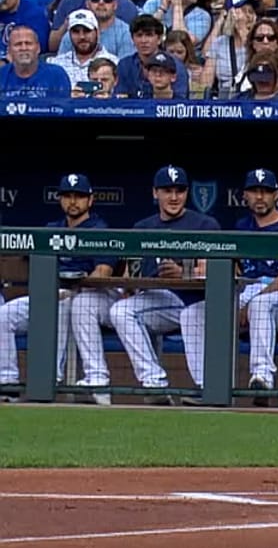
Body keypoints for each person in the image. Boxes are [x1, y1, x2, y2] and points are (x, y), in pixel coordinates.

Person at [180, 168, 278, 407]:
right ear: (245, 196)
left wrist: (248, 305)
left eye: (266, 191)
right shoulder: (242, 226)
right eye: (254, 191)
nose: (260, 197)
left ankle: (262, 379)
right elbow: (236, 270)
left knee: (261, 304)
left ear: (277, 196)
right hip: (247, 295)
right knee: (192, 314)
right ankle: (207, 385)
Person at [106, 165, 223, 402]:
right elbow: (131, 271)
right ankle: (154, 383)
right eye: (167, 190)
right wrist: (129, 285)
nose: (173, 197)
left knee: (185, 314)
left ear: (186, 193)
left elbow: (212, 271)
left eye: (179, 190)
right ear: (154, 193)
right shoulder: (143, 227)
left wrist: (183, 273)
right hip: (157, 301)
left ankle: (204, 388)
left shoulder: (204, 224)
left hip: (195, 303)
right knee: (120, 310)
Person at [0, 174, 115, 396]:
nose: (73, 201)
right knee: (4, 315)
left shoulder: (99, 229)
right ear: (60, 199)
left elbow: (103, 272)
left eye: (79, 196)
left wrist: (73, 290)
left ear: (90, 200)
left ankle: (52, 378)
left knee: (64, 305)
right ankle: (7, 381)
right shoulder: (51, 229)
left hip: (85, 297)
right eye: (68, 196)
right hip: (49, 295)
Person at [0, 26, 72, 97]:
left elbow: (64, 106)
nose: (24, 48)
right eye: (18, 44)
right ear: (9, 50)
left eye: (28, 43)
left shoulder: (57, 75)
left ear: (38, 48)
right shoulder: (2, 75)